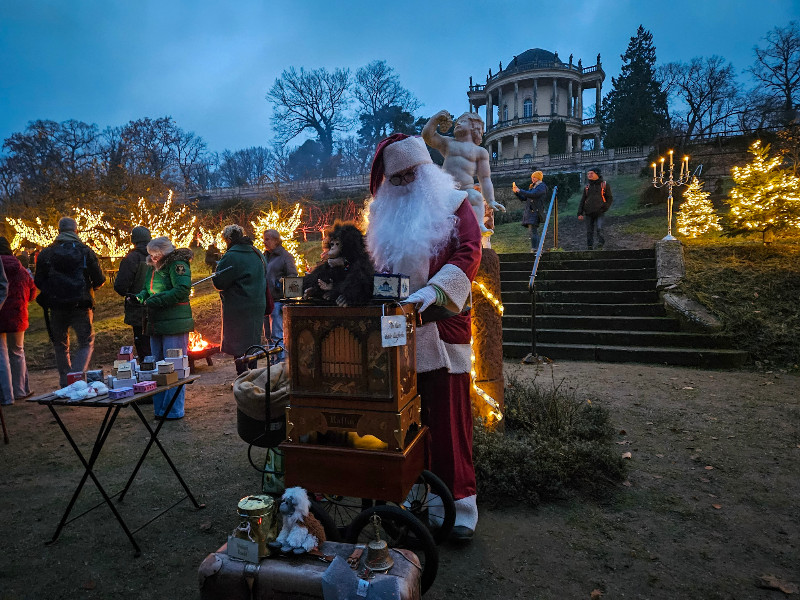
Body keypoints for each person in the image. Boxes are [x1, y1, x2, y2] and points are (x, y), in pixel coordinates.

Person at [366, 134, 482, 543]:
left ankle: (459, 505)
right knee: (407, 421)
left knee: (448, 421)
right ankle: (415, 499)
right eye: (396, 178)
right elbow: (377, 269)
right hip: (398, 332)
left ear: (426, 169)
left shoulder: (453, 202)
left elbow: (469, 251)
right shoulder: (381, 216)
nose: (404, 184)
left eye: (411, 174)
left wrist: (435, 290)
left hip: (441, 327)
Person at [34, 217, 105, 387]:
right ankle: (76, 378)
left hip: (56, 306)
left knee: (60, 345)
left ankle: (66, 382)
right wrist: (92, 288)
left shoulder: (46, 253)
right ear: (76, 231)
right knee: (86, 342)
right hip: (81, 304)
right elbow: (99, 279)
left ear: (59, 231)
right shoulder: (85, 251)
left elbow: (38, 281)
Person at [134, 237, 193, 419]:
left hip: (175, 321)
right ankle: (160, 408)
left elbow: (182, 289)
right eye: (150, 254)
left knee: (174, 366)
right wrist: (140, 297)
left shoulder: (177, 265)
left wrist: (158, 300)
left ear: (165, 252)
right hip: (155, 322)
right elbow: (148, 289)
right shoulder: (152, 267)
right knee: (157, 368)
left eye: (156, 254)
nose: (153, 258)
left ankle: (174, 410)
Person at [422, 110, 505, 236]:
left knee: (477, 197)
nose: (458, 124)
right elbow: (427, 136)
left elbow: (485, 178)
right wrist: (436, 118)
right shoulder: (448, 143)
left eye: (463, 121)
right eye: (457, 123)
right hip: (445, 189)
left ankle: (479, 224)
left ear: (474, 126)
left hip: (466, 189)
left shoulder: (480, 151)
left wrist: (490, 200)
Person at [212, 225, 269, 374]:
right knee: (253, 341)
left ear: (228, 239)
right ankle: (253, 373)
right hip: (257, 303)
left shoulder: (231, 256)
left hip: (238, 306)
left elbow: (220, 282)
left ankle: (242, 376)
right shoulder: (257, 252)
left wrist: (215, 273)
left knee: (238, 343)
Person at [0, 237, 36, 404]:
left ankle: (6, 396)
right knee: (17, 352)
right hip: (17, 315)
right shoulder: (20, 269)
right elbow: (32, 292)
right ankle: (20, 390)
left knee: (1, 355)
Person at [113, 226, 152, 360]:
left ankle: (148, 369)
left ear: (133, 240)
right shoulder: (159, 256)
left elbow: (120, 286)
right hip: (159, 307)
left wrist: (130, 295)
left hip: (138, 309)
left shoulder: (131, 259)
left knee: (144, 346)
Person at [263, 229, 297, 359]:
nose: (264, 242)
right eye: (264, 239)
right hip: (266, 300)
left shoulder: (285, 257)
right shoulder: (264, 256)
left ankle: (280, 361)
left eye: (267, 239)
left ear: (276, 240)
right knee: (268, 335)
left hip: (278, 300)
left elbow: (293, 276)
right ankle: (272, 362)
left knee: (277, 334)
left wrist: (282, 284)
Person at [578, 167, 613, 250]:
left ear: (597, 174)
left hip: (600, 212)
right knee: (589, 230)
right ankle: (590, 246)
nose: (589, 175)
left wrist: (605, 208)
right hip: (588, 212)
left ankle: (601, 244)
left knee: (599, 228)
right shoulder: (587, 187)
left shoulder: (604, 185)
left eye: (591, 173)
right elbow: (583, 200)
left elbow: (609, 198)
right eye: (588, 174)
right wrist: (580, 213)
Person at [512, 171, 548, 252]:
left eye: (534, 177)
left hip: (535, 211)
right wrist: (516, 193)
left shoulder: (541, 186)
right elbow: (524, 198)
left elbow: (533, 194)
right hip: (531, 212)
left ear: (538, 178)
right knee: (532, 231)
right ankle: (536, 248)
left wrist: (520, 190)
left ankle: (535, 249)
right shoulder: (534, 187)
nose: (532, 179)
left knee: (533, 231)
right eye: (532, 177)